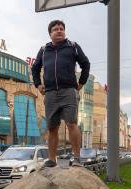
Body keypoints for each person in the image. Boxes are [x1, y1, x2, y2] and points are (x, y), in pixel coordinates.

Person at [31, 20, 90, 167]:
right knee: (52, 128)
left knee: (72, 124)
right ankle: (52, 160)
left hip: (69, 91)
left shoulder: (73, 46)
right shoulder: (44, 50)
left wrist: (81, 82)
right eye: (55, 29)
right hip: (50, 93)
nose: (59, 31)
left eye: (61, 28)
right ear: (50, 33)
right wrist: (38, 84)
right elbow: (35, 68)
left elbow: (85, 64)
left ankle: (77, 159)